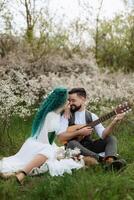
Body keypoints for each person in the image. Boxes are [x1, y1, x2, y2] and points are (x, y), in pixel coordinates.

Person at [0, 87, 86, 184]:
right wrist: (53, 150)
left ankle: (20, 173)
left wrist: (66, 110)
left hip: (45, 143)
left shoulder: (57, 114)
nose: (69, 102)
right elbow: (44, 138)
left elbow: (59, 131)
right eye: (67, 100)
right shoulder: (50, 115)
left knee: (64, 153)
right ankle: (21, 174)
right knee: (51, 152)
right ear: (61, 101)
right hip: (40, 144)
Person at [57, 88, 127, 170]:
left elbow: (103, 135)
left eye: (73, 100)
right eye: (69, 101)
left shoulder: (91, 116)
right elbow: (61, 137)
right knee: (72, 143)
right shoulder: (67, 115)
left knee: (111, 138)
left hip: (89, 146)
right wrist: (79, 132)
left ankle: (110, 161)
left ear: (83, 99)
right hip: (74, 148)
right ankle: (102, 160)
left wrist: (114, 121)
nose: (71, 103)